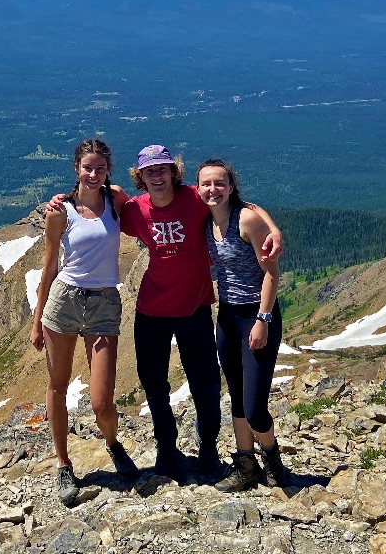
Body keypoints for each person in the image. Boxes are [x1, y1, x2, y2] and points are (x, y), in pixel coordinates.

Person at [120, 145, 281, 484]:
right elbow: (101, 205)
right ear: (141, 177)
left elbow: (239, 204)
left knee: (206, 385)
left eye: (163, 168)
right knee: (154, 385)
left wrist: (273, 228)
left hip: (195, 308)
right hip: (152, 310)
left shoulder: (195, 197)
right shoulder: (134, 210)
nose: (158, 175)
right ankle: (167, 449)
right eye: (150, 171)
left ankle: (208, 447)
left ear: (174, 172)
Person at [30, 139, 139, 507]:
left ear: (108, 170)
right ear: (76, 168)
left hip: (105, 302)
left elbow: (149, 208)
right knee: (57, 385)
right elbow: (49, 267)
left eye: (100, 168)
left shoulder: (116, 199)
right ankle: (63, 464)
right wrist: (36, 322)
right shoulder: (60, 211)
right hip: (64, 301)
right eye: (87, 167)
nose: (94, 174)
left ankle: (112, 442)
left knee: (101, 402)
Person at [199, 157, 289, 491]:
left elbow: (271, 273)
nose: (213, 190)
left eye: (220, 183)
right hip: (227, 316)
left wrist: (263, 320)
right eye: (206, 184)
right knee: (236, 395)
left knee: (254, 408)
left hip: (256, 315)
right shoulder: (206, 220)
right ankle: (245, 464)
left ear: (231, 186)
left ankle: (272, 457)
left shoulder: (245, 219)